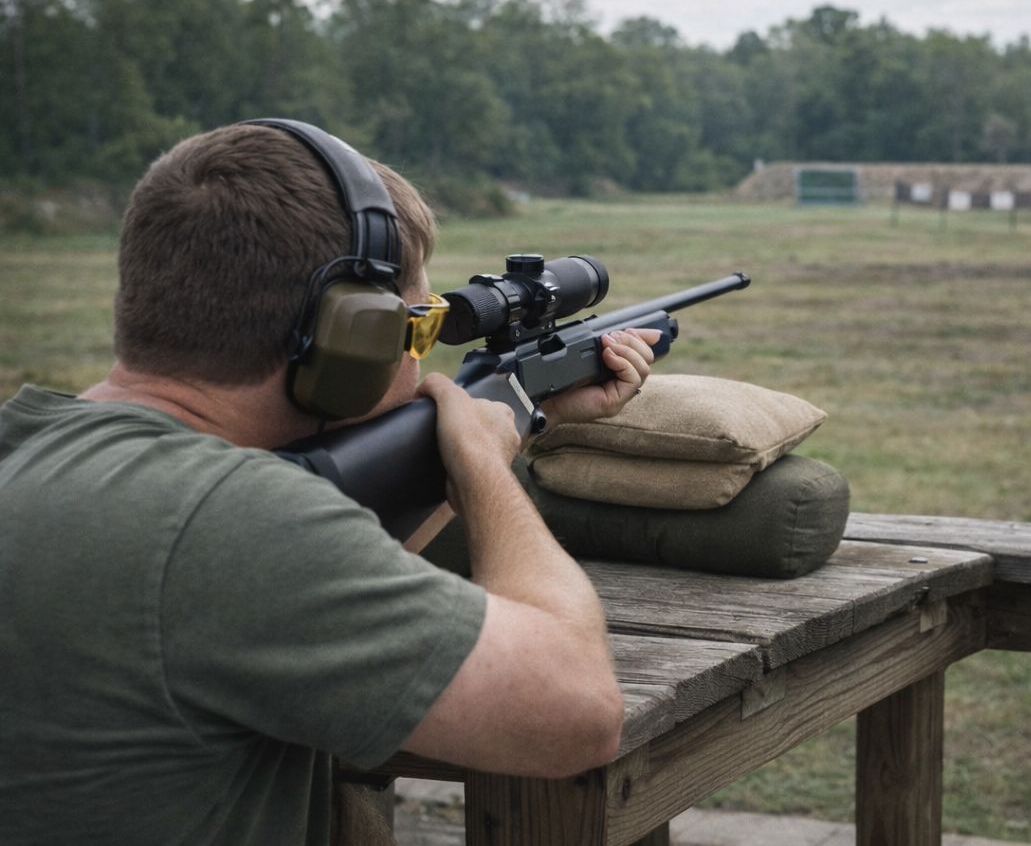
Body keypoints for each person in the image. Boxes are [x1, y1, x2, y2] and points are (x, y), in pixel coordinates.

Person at [0, 121, 660, 844]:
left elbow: (325, 573)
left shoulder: (27, 445)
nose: (419, 364)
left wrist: (521, 415)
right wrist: (478, 465)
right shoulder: (228, 522)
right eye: (415, 328)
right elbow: (575, 713)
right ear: (350, 336)